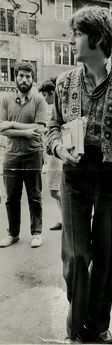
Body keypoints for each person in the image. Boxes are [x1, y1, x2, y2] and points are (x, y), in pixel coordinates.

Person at [46, 6, 112, 344]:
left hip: (109, 176)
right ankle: (76, 327)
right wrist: (60, 150)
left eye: (77, 33)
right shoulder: (63, 83)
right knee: (76, 256)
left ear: (98, 38)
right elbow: (52, 130)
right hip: (74, 174)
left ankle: (98, 324)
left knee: (105, 257)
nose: (72, 39)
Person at [0, 61, 46, 248]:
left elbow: (41, 128)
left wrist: (12, 124)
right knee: (11, 198)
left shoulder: (39, 100)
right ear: (16, 77)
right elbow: (1, 128)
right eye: (21, 75)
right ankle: (13, 233)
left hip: (33, 154)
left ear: (32, 80)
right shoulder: (5, 100)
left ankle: (36, 233)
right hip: (11, 155)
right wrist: (25, 132)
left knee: (34, 196)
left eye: (28, 76)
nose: (24, 79)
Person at [38, 77, 63, 230]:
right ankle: (64, 218)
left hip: (57, 153)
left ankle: (67, 217)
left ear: (52, 93)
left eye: (45, 95)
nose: (44, 99)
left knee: (55, 191)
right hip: (51, 154)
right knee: (56, 190)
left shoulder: (57, 109)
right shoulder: (52, 109)